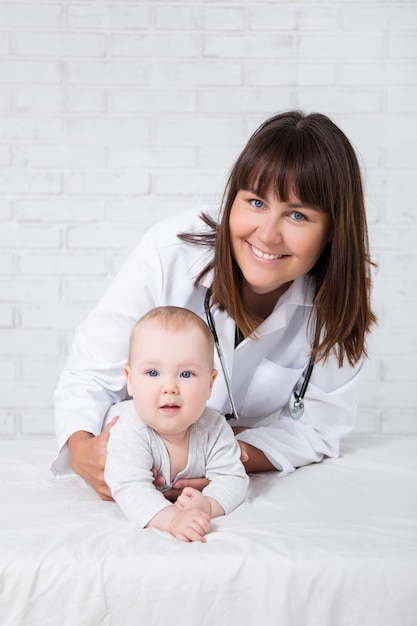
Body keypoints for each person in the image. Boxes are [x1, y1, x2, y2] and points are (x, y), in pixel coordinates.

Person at [52, 110, 376, 502]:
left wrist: (224, 457)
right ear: (232, 201)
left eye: (297, 214)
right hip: (132, 451)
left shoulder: (336, 300)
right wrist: (83, 449)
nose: (268, 234)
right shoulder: (168, 254)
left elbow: (319, 428)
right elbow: (89, 375)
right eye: (256, 202)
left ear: (332, 231)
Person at [104, 306, 249, 542]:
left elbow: (233, 478)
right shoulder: (130, 430)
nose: (170, 387)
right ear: (129, 380)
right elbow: (131, 488)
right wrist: (172, 519)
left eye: (186, 374)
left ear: (211, 383)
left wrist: (208, 506)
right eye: (152, 373)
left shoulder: (214, 428)